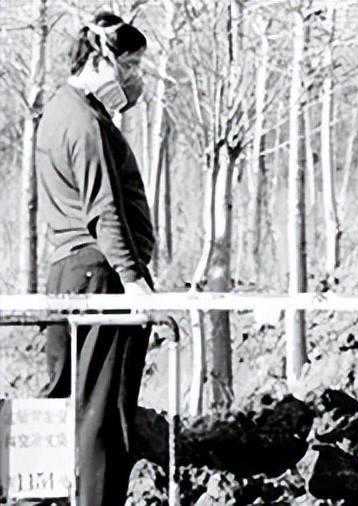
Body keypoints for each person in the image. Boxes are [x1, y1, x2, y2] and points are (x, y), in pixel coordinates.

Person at [35, 11, 154, 505]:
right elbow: (104, 210)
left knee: (70, 404)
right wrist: (134, 281)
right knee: (102, 413)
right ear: (102, 61)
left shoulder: (62, 111)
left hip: (71, 271)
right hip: (98, 275)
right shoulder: (84, 123)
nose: (134, 77)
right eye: (129, 65)